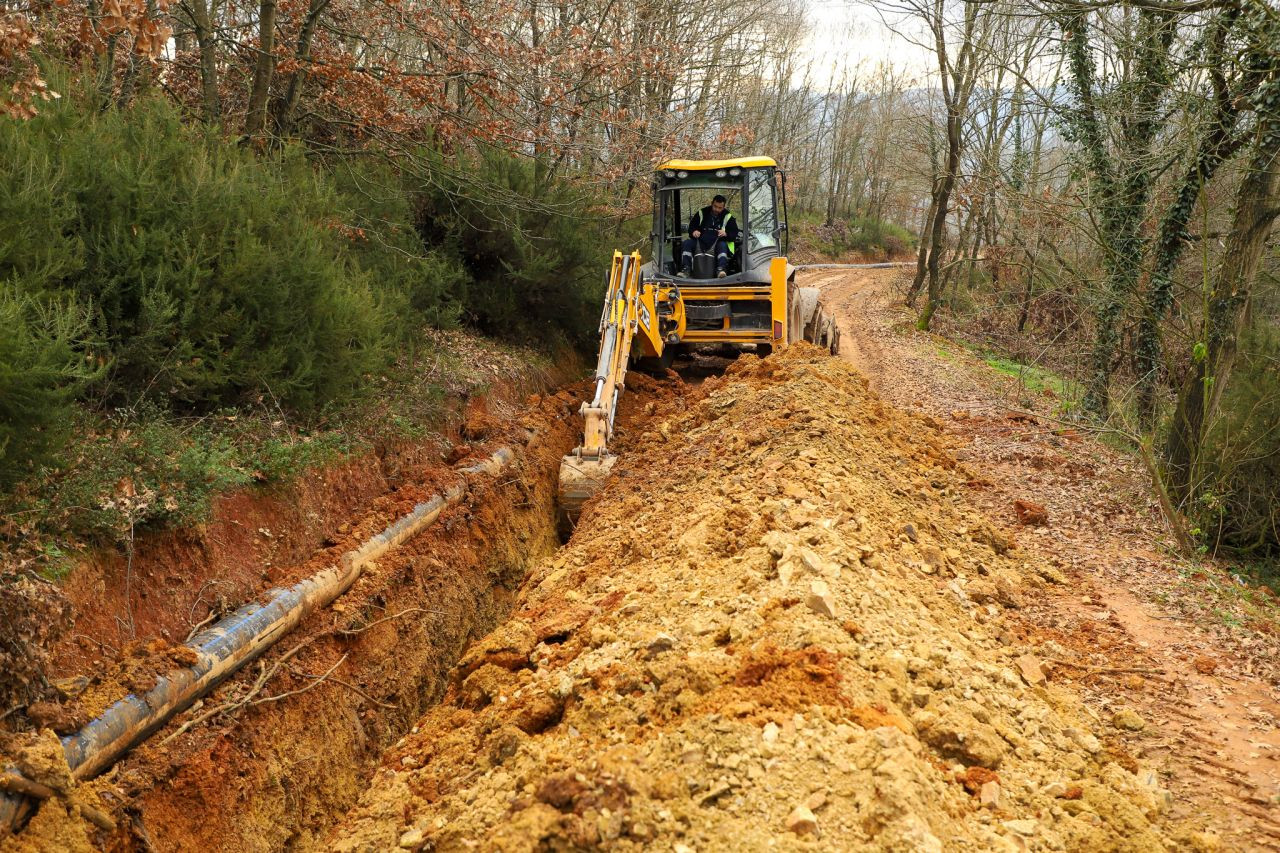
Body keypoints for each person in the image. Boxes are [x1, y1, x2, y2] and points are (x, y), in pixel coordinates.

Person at [681, 194, 739, 278]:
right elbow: (691, 227)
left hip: (718, 244)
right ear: (712, 203)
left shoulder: (728, 216)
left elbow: (734, 233)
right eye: (715, 206)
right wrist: (694, 231)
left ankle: (721, 270)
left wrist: (726, 234)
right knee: (687, 243)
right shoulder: (702, 213)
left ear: (723, 207)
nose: (717, 209)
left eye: (720, 208)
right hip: (700, 243)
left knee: (722, 245)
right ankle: (686, 270)